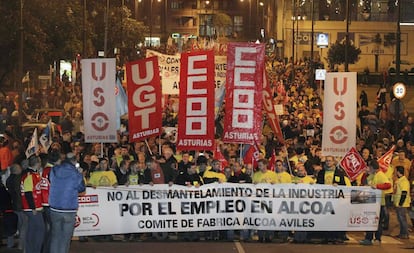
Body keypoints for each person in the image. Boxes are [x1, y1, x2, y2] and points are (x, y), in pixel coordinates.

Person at [48, 152, 85, 253]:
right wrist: (81, 175)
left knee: (55, 237)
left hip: (55, 207)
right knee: (65, 239)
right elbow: (81, 188)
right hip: (69, 208)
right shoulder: (75, 173)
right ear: (74, 161)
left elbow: (50, 180)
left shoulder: (54, 169)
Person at [359, 160, 391, 246]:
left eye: (369, 167)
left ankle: (377, 239)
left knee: (377, 222)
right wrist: (365, 174)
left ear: (372, 168)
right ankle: (368, 238)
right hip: (370, 202)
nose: (368, 168)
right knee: (369, 221)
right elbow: (364, 182)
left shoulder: (380, 175)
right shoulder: (372, 175)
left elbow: (388, 185)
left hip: (379, 203)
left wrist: (377, 186)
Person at [21, 155, 45, 253]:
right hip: (32, 208)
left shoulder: (31, 175)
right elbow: (28, 192)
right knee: (40, 230)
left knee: (32, 230)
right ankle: (35, 250)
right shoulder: (30, 176)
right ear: (37, 163)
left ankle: (30, 250)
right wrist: (33, 207)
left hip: (32, 207)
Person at [6, 163, 26, 251]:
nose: (21, 169)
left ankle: (10, 244)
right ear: (16, 170)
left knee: (12, 225)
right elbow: (19, 193)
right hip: (19, 206)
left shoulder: (8, 179)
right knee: (23, 226)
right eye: (19, 168)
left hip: (11, 206)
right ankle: (21, 245)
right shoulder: (18, 179)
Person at [393, 166, 411, 239]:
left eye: (395, 171)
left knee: (402, 219)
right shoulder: (399, 180)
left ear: (398, 172)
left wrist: (400, 203)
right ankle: (402, 233)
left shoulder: (404, 181)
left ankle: (405, 234)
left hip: (402, 204)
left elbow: (404, 193)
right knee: (400, 219)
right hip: (398, 203)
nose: (394, 173)